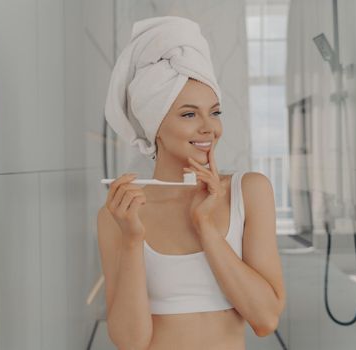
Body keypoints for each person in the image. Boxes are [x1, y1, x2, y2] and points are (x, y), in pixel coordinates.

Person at [98, 16, 285, 350]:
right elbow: (130, 342)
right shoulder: (121, 212)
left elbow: (265, 319)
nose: (208, 128)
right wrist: (131, 239)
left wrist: (206, 228)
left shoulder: (250, 192)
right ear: (155, 125)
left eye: (214, 112)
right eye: (188, 114)